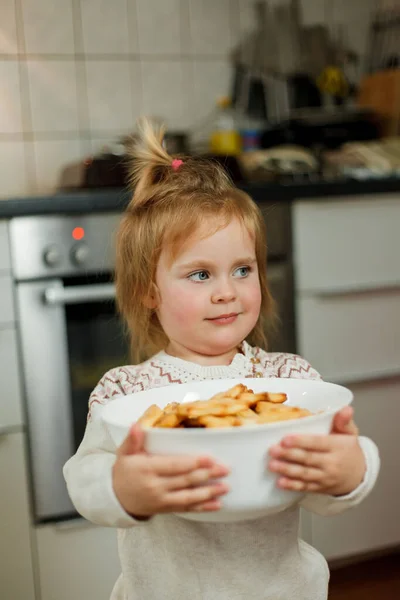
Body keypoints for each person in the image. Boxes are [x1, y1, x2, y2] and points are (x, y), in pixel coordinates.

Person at [63, 119, 380, 600]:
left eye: (241, 269)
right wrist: (123, 488)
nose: (227, 292)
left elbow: (320, 482)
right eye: (199, 275)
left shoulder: (288, 381)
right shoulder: (126, 394)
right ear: (150, 292)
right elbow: (85, 480)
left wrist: (350, 471)